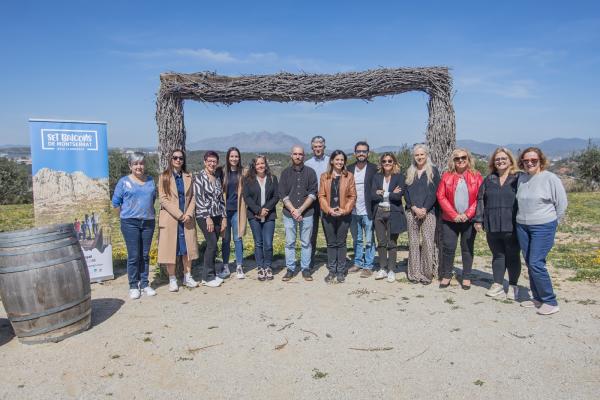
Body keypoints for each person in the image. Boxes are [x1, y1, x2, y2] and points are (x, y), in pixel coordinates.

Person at [515, 147, 567, 315]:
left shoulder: (550, 178)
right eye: (526, 160)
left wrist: (552, 222)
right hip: (522, 226)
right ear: (521, 162)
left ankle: (550, 301)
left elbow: (562, 204)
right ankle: (537, 298)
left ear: (541, 161)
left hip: (543, 226)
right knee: (530, 262)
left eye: (534, 160)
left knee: (536, 262)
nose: (529, 163)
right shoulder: (522, 178)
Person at [474, 148, 522, 300]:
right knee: (498, 255)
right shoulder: (489, 179)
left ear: (510, 160)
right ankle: (498, 285)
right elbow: (481, 200)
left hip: (512, 225)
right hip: (492, 225)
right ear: (493, 162)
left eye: (503, 158)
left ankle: (513, 286)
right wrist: (478, 220)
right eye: (497, 159)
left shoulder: (518, 178)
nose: (500, 161)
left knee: (513, 256)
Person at [111, 152, 157, 299]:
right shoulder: (123, 182)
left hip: (148, 221)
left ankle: (144, 284)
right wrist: (123, 217)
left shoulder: (150, 181)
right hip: (130, 223)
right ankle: (133, 285)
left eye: (141, 163)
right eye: (136, 164)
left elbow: (152, 199)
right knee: (133, 255)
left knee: (145, 255)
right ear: (130, 166)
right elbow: (116, 203)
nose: (139, 166)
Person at [437, 148, 483, 290]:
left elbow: (479, 198)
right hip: (450, 220)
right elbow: (441, 196)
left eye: (463, 157)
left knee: (467, 249)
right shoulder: (447, 176)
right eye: (457, 158)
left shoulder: (476, 176)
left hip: (468, 221)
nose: (460, 160)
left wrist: (467, 214)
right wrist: (454, 215)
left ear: (468, 159)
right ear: (453, 161)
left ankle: (467, 276)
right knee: (448, 248)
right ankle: (446, 275)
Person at [157, 149, 199, 292]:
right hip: (171, 218)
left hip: (187, 219)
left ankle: (188, 276)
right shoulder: (164, 177)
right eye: (175, 158)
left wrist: (188, 214)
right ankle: (172, 279)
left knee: (187, 249)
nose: (178, 160)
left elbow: (193, 197)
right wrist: (180, 214)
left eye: (180, 158)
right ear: (171, 159)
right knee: (172, 250)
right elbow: (163, 198)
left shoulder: (189, 176)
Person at [279, 145, 318, 281]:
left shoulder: (311, 173)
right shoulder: (285, 173)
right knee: (289, 242)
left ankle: (305, 269)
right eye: (295, 154)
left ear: (304, 155)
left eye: (300, 154)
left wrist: (300, 210)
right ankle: (290, 269)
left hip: (307, 213)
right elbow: (283, 195)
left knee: (306, 242)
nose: (297, 156)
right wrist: (293, 210)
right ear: (291, 155)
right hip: (289, 214)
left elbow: (313, 194)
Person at [404, 144, 441, 285]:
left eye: (422, 154)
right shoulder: (409, 172)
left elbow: (434, 193)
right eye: (417, 155)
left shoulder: (433, 171)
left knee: (427, 242)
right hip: (411, 212)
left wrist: (424, 209)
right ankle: (414, 274)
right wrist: (413, 207)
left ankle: (426, 274)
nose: (419, 157)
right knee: (413, 243)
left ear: (426, 155)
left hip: (429, 212)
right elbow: (406, 192)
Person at [318, 150, 357, 283]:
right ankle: (332, 270)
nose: (340, 162)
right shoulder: (324, 176)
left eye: (342, 160)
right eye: (337, 159)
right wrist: (328, 210)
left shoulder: (349, 176)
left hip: (343, 215)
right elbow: (321, 195)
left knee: (341, 243)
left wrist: (344, 210)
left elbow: (352, 196)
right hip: (328, 215)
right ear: (332, 161)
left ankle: (340, 271)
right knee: (331, 243)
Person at [371, 152, 407, 283]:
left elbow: (398, 197)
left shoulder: (399, 177)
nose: (387, 163)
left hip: (394, 212)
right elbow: (372, 195)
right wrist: (390, 193)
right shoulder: (376, 177)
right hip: (379, 212)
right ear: (381, 163)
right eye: (384, 161)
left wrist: (383, 192)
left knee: (392, 243)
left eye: (390, 161)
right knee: (381, 242)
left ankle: (391, 270)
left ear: (394, 163)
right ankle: (382, 268)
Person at [243, 155, 279, 281]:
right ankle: (260, 267)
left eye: (262, 163)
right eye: (258, 164)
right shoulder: (248, 180)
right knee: (258, 243)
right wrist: (258, 210)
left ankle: (268, 266)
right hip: (254, 215)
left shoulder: (272, 178)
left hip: (269, 216)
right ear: (254, 166)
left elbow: (276, 196)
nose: (260, 166)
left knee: (268, 243)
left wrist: (265, 210)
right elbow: (247, 197)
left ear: (266, 164)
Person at [194, 151, 227, 288]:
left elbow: (221, 200)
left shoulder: (217, 178)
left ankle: (212, 274)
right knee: (212, 243)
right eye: (210, 161)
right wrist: (207, 217)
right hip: (204, 216)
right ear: (204, 162)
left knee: (214, 244)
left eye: (214, 161)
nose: (212, 164)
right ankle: (207, 277)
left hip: (218, 215)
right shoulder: (199, 178)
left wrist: (224, 217)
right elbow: (199, 199)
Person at [347, 141, 378, 278]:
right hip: (353, 211)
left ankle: (369, 265)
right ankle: (358, 262)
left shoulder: (374, 168)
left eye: (364, 151)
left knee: (370, 239)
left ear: (368, 153)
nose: (361, 153)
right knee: (357, 239)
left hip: (368, 210)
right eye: (358, 151)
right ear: (355, 153)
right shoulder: (348, 169)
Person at [219, 147, 246, 279]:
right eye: (232, 156)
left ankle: (239, 266)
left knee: (238, 238)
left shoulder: (243, 173)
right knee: (225, 239)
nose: (234, 159)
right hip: (224, 211)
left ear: (239, 158)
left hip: (237, 210)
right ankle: (225, 266)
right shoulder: (222, 172)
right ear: (228, 158)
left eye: (236, 156)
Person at [305, 135, 330, 268]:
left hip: (327, 200)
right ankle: (309, 261)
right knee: (311, 232)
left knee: (329, 231)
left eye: (320, 146)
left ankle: (332, 260)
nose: (318, 149)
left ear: (324, 147)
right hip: (312, 201)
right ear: (312, 148)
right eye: (315, 147)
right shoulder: (307, 163)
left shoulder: (330, 161)